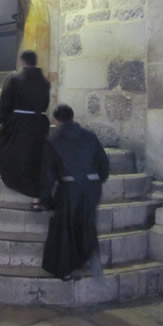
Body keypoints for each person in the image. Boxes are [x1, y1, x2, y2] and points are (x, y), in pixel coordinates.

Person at [40, 104, 109, 281]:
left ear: (55, 120)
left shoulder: (53, 140)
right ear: (72, 117)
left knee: (65, 229)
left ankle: (65, 270)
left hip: (71, 189)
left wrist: (47, 200)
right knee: (87, 224)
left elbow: (48, 173)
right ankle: (91, 253)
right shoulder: (90, 136)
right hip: (92, 187)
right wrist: (96, 182)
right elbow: (103, 164)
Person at [0, 50, 50, 211]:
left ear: (23, 62)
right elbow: (45, 104)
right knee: (35, 160)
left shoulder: (14, 78)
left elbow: (5, 101)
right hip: (38, 124)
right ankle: (36, 198)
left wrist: (4, 122)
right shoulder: (45, 82)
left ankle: (19, 185)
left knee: (13, 155)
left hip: (18, 124)